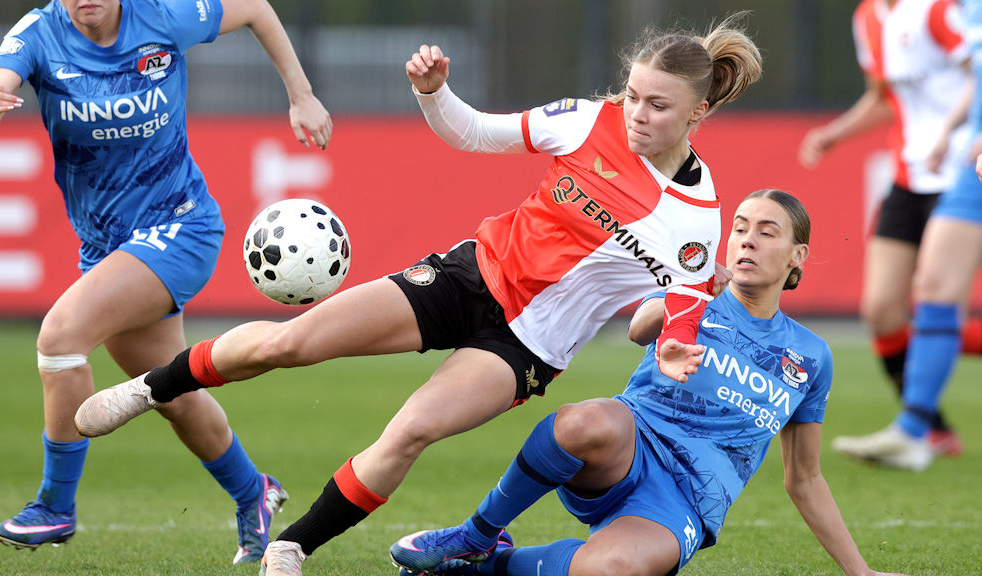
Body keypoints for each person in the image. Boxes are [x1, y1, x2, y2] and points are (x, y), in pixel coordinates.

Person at [75, 16, 763, 575]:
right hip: (467, 277)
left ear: (698, 112)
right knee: (292, 342)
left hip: (526, 348)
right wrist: (435, 93)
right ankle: (151, 388)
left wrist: (676, 343)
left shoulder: (696, 221)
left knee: (410, 432)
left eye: (657, 106)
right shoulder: (588, 121)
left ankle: (291, 548)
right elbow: (474, 132)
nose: (635, 113)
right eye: (633, 95)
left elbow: (682, 309)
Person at [0, 0, 332, 563]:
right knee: (167, 391)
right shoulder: (36, 35)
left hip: (183, 228)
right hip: (108, 248)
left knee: (60, 338)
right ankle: (252, 491)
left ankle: (54, 506)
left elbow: (257, 7)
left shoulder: (163, 15)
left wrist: (301, 96)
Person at [389, 189, 908, 576]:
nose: (748, 240)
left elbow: (805, 479)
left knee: (611, 568)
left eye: (767, 232)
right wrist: (684, 298)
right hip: (629, 448)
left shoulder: (811, 356)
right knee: (584, 421)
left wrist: (860, 572)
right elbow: (639, 328)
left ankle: (488, 567)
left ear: (797, 255)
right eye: (740, 228)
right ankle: (475, 535)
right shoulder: (696, 292)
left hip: (686, 501)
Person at [798, 0, 977, 458]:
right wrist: (836, 133)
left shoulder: (938, 9)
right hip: (909, 175)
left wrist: (953, 133)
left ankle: (916, 428)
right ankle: (930, 430)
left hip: (963, 171)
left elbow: (977, 74)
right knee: (881, 310)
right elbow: (883, 99)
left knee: (937, 297)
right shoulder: (867, 18)